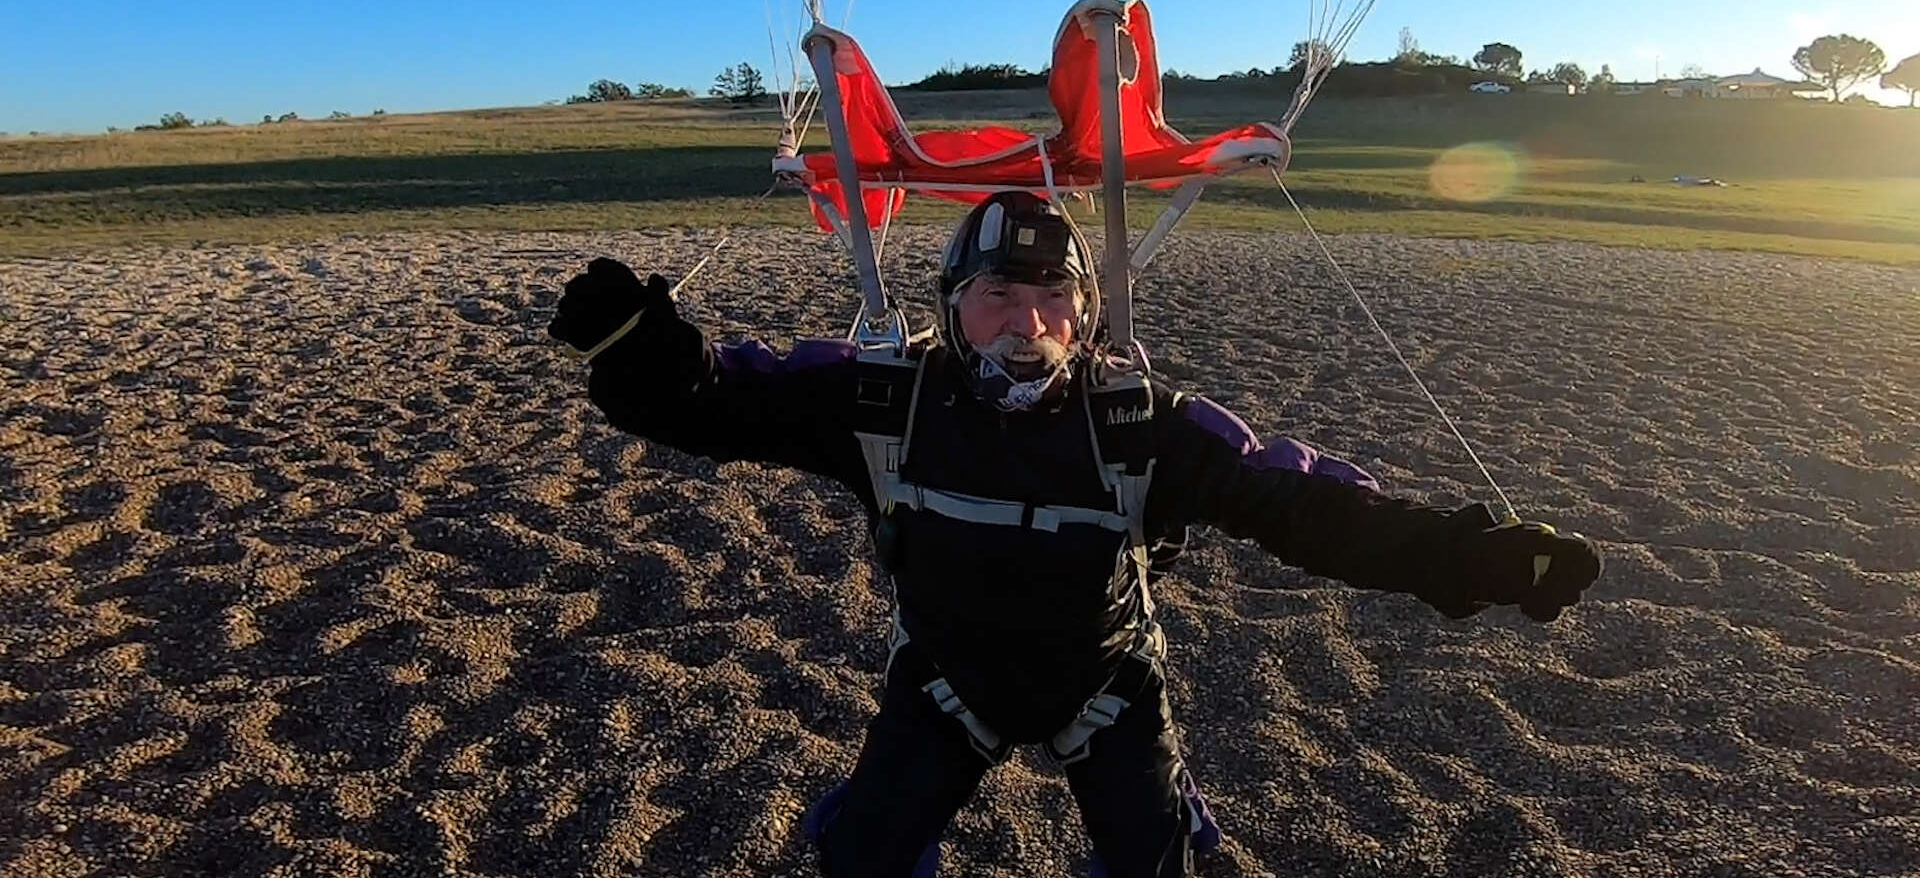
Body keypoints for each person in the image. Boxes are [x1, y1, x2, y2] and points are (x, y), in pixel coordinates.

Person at [547, 191, 1603, 878]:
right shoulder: (881, 400)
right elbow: (727, 403)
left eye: (1053, 297)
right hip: (943, 684)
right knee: (862, 858)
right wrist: (646, 359)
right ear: (953, 306)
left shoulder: (1140, 424)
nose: (1028, 323)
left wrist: (1469, 557)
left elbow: (1305, 504)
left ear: (1086, 314)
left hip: (1108, 691)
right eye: (998, 295)